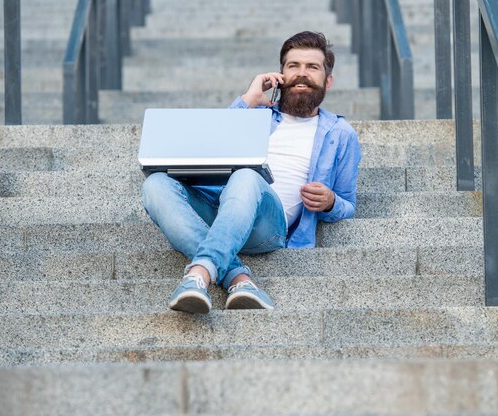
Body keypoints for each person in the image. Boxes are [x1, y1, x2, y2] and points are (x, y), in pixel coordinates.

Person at [141, 31, 362, 314]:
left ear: (327, 81)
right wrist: (247, 99)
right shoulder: (256, 115)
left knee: (248, 176)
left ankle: (198, 275)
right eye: (293, 66)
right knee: (156, 185)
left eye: (312, 67)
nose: (301, 74)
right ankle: (239, 278)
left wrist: (331, 202)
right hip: (219, 208)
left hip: (268, 226)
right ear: (280, 74)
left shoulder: (340, 134)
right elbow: (210, 152)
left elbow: (348, 204)